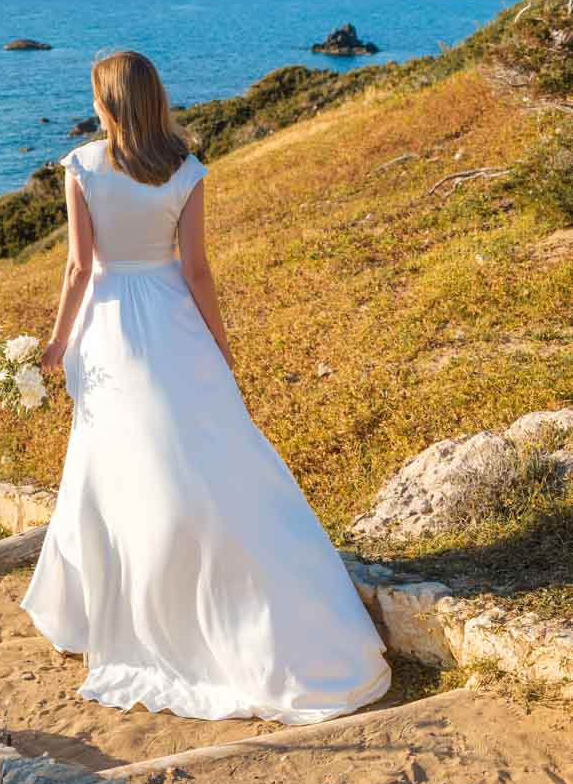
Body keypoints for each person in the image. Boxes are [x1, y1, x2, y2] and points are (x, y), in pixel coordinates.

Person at [20, 50, 390, 723]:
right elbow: (196, 270)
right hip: (170, 321)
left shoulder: (81, 167)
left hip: (108, 327)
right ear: (155, 98)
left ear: (107, 104)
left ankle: (97, 613)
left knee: (111, 466)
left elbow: (79, 268)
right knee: (210, 458)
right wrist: (218, 345)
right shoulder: (185, 170)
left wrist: (54, 344)